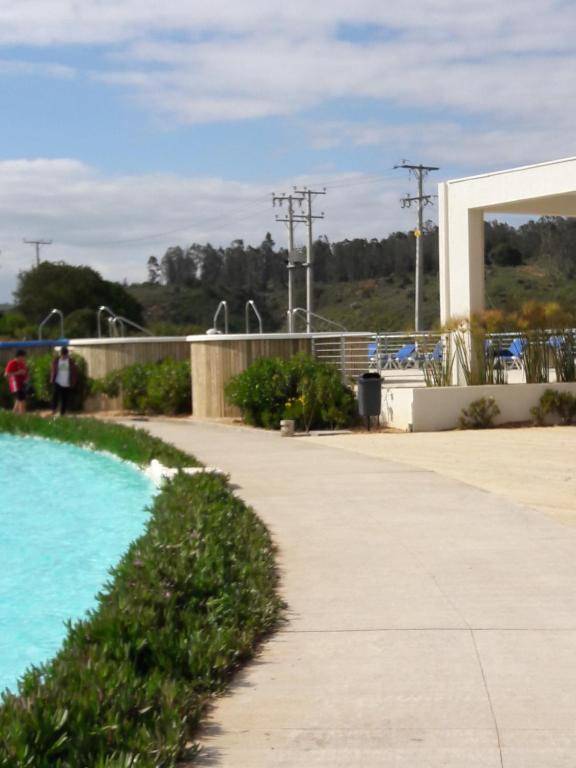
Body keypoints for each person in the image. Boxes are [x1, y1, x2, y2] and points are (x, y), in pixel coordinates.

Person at [50, 346, 78, 416]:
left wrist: (73, 381)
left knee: (64, 399)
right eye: (62, 355)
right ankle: (53, 410)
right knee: (55, 396)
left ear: (67, 354)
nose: (63, 356)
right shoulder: (56, 361)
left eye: (65, 355)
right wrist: (52, 379)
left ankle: (62, 413)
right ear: (60, 354)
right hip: (57, 382)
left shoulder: (70, 362)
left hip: (66, 383)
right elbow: (53, 370)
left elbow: (74, 372)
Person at [4, 349, 29, 414]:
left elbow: (25, 373)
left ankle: (13, 414)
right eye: (23, 356)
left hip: (22, 384)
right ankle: (22, 415)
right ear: (19, 356)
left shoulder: (22, 364)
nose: (24, 358)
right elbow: (6, 374)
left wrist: (26, 379)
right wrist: (17, 373)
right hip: (15, 385)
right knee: (22, 400)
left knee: (19, 400)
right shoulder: (12, 363)